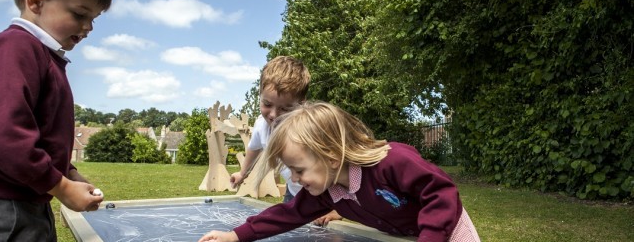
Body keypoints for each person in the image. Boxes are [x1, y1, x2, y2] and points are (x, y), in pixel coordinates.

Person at [199, 101, 481, 242]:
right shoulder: (326, 193)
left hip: (450, 230)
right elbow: (285, 214)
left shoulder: (391, 162)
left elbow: (441, 192)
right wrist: (235, 236)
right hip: (410, 233)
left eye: (298, 170)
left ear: (332, 157)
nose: (294, 180)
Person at [0, 0, 112, 241]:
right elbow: (3, 135)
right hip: (2, 206)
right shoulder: (14, 49)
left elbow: (40, 133)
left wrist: (67, 172)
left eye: (93, 19)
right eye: (80, 15)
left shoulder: (44, 56)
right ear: (36, 1)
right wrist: (62, 187)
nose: (88, 28)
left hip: (30, 200)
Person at [229, 56, 342, 225]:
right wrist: (242, 173)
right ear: (260, 96)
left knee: (324, 233)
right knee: (286, 230)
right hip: (293, 192)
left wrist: (337, 207)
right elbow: (254, 148)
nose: (274, 115)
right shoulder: (262, 126)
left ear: (301, 104)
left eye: (285, 108)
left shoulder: (310, 129)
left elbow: (337, 166)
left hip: (324, 196)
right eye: (267, 104)